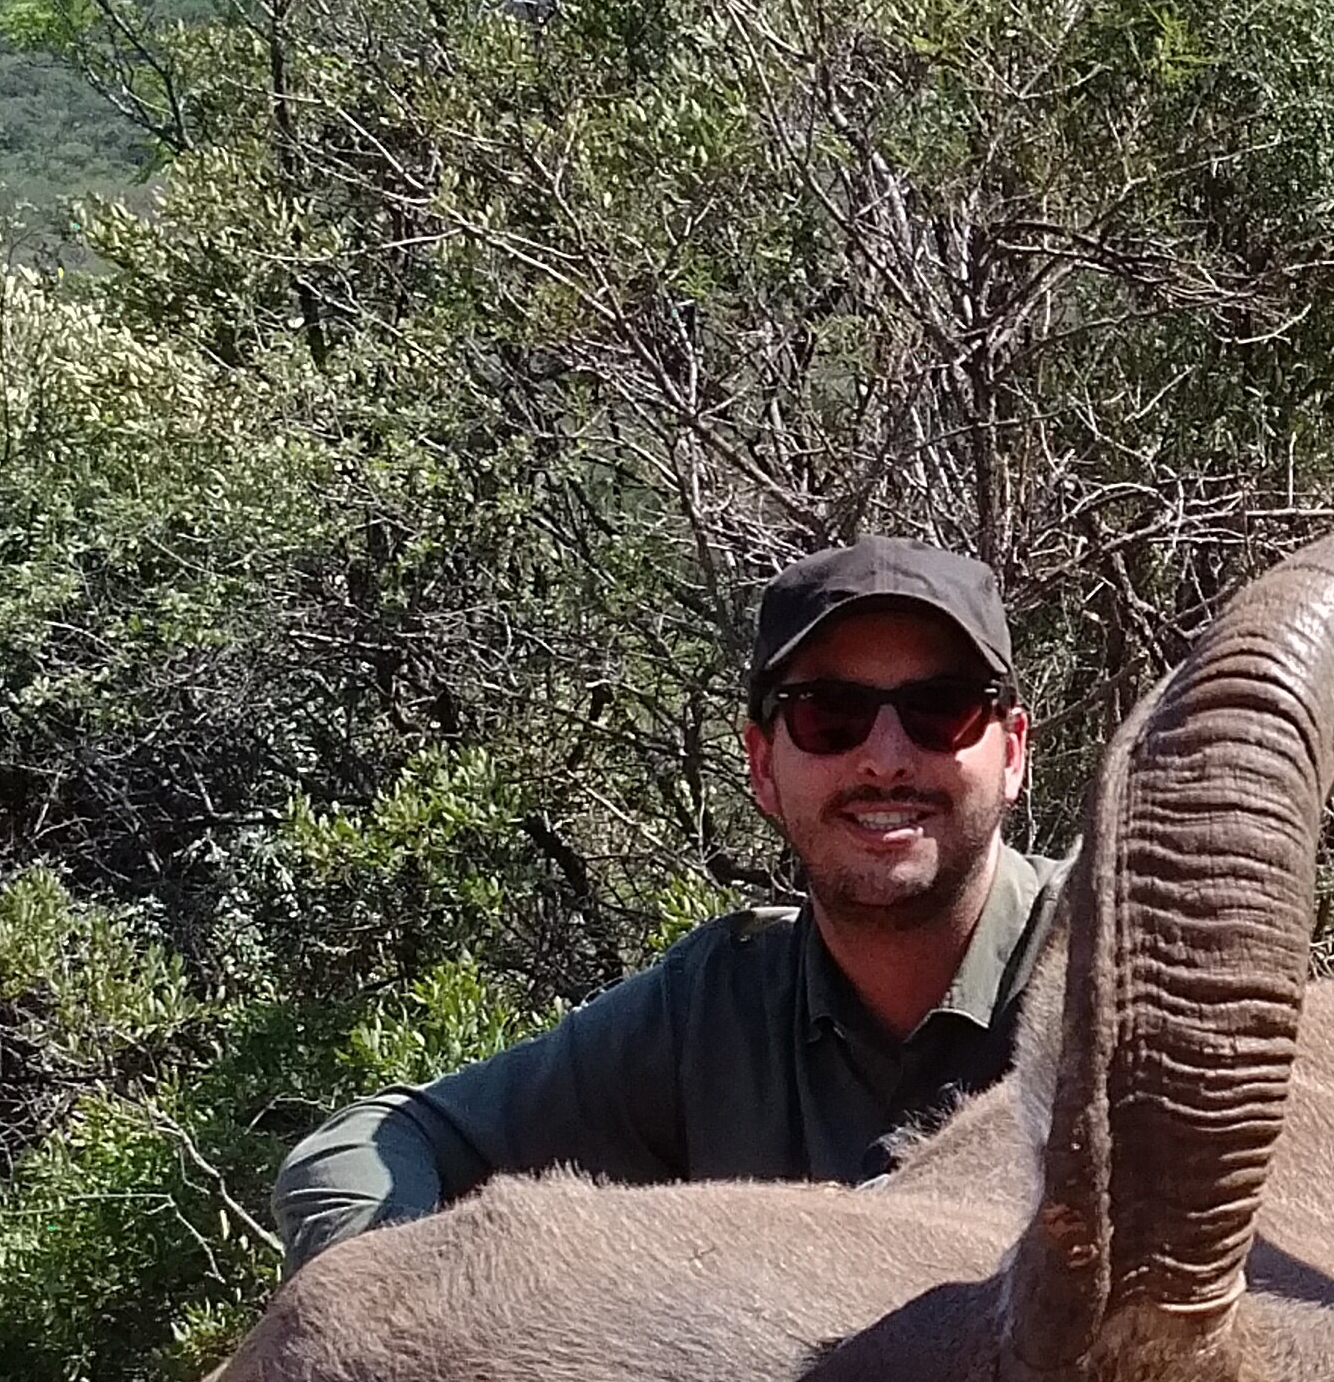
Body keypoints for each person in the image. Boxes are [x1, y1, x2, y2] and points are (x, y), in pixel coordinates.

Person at [272, 538, 1067, 1265]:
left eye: (943, 710)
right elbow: (364, 1146)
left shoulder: (1122, 966)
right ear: (761, 766)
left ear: (1013, 753)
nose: (887, 759)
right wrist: (402, 1299)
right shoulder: (711, 1013)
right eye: (831, 716)